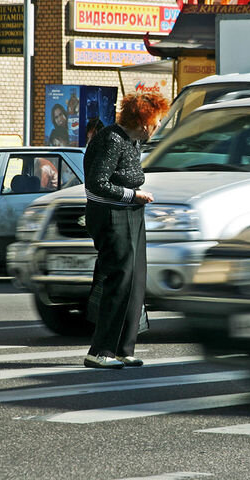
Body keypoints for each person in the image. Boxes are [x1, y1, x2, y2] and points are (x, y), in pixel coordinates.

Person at [83, 92, 170, 369]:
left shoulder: (133, 141)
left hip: (131, 212)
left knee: (135, 279)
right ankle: (100, 351)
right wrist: (132, 195)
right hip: (111, 215)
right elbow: (97, 183)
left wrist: (134, 198)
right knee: (119, 280)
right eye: (156, 120)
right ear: (143, 122)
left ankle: (123, 348)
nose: (158, 125)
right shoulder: (111, 139)